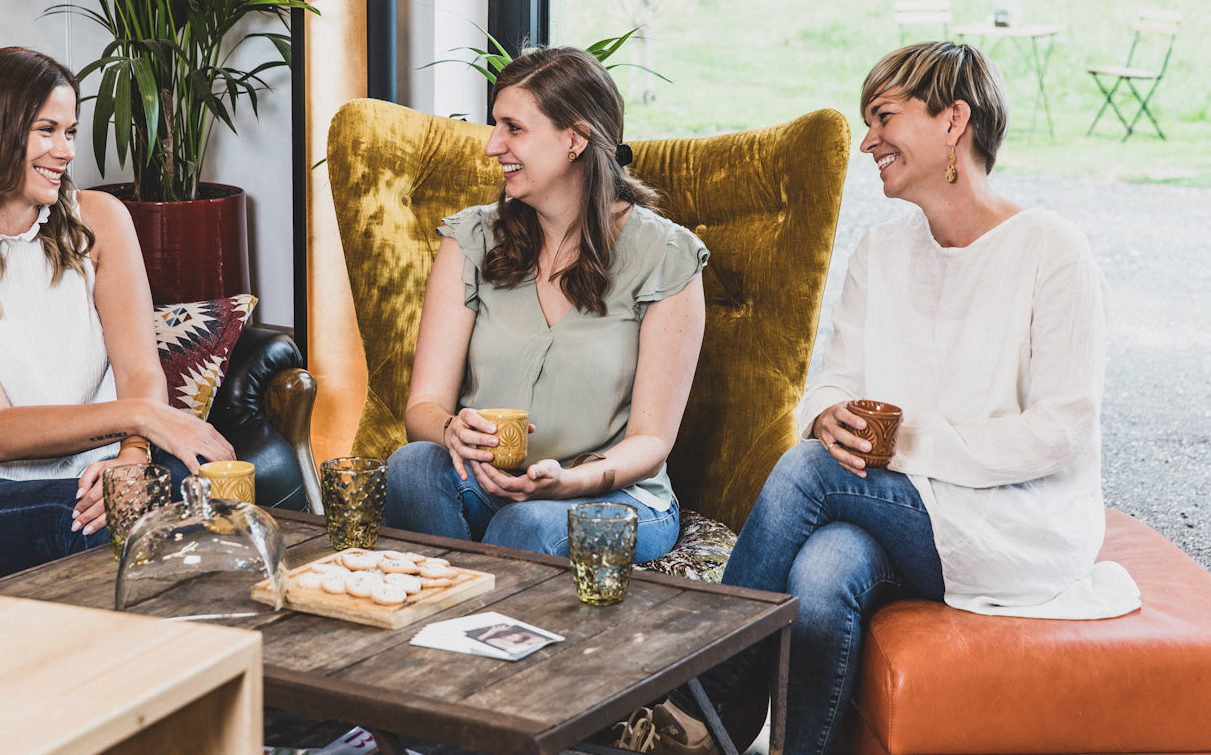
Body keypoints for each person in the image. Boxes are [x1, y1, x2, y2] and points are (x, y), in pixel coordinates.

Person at [698, 42, 1141, 755]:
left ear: (953, 120)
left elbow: (1060, 430)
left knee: (809, 472)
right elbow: (837, 377)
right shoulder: (880, 252)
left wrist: (903, 442)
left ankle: (702, 711)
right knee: (824, 569)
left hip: (1014, 523)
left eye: (884, 116)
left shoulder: (1053, 250)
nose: (867, 139)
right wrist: (827, 414)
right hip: (901, 508)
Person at [0, 46, 235, 587]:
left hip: (90, 472)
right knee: (123, 523)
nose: (66, 150)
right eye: (47, 130)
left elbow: (140, 371)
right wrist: (141, 420)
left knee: (214, 482)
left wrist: (131, 458)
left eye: (70, 132)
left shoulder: (101, 220)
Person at [382, 47, 707, 561]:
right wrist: (451, 430)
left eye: (513, 127)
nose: (492, 145)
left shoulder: (665, 255)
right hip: (490, 483)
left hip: (613, 495)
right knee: (411, 467)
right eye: (495, 125)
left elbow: (650, 442)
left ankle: (460, 628)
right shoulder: (471, 238)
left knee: (528, 524)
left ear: (575, 139)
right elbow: (423, 408)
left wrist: (569, 482)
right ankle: (449, 620)